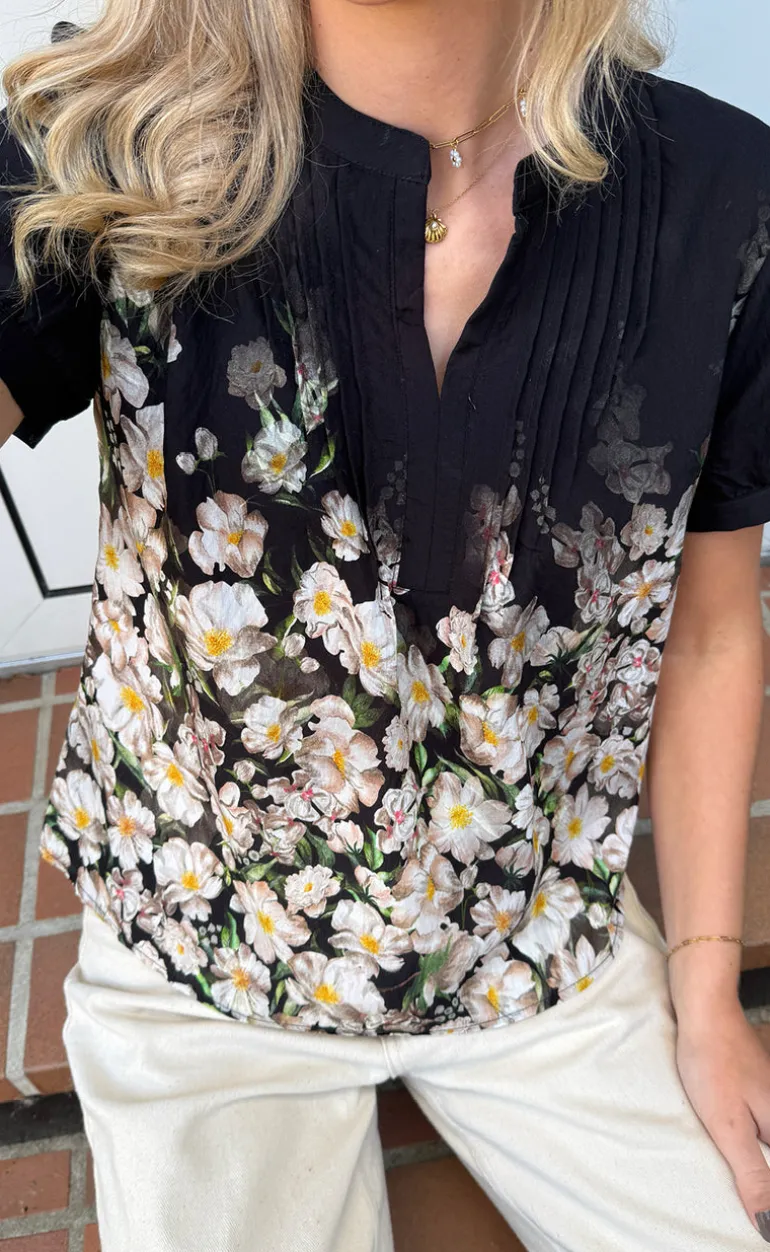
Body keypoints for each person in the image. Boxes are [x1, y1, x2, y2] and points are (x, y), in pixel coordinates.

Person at [2, 0, 770, 1247]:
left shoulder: (720, 199)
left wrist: (706, 980)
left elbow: (712, 623)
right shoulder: (99, 145)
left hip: (539, 939)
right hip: (199, 958)